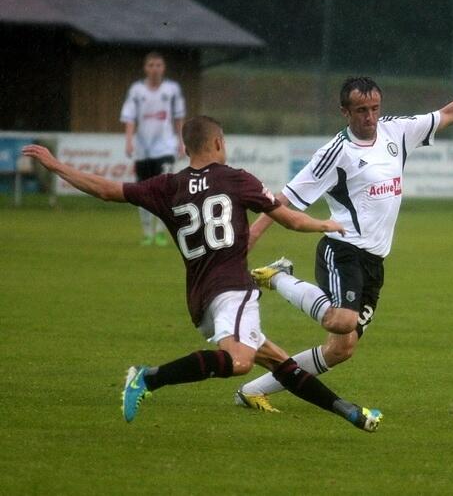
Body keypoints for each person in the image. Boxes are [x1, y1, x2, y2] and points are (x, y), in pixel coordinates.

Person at [22, 116, 382, 431]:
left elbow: (104, 189)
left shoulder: (167, 186)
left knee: (280, 363)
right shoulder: (237, 179)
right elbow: (286, 217)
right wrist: (322, 223)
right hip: (233, 290)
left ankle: (348, 412)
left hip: (200, 300)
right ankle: (148, 377)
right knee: (241, 363)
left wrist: (57, 166)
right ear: (218, 142)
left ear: (185, 147)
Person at [235, 76, 453, 411]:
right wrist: (253, 235)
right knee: (342, 320)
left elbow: (448, 115)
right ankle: (279, 277)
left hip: (375, 260)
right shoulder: (335, 152)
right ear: (344, 111)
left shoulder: (396, 131)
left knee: (340, 349)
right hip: (341, 249)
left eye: (375, 108)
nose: (370, 117)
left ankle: (252, 390)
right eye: (361, 110)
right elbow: (284, 198)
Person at [121, 51, 186, 247]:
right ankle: (147, 232)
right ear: (145, 68)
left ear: (163, 68)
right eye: (151, 65)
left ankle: (160, 232)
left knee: (166, 191)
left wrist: (181, 141)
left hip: (165, 148)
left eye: (158, 65)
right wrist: (129, 140)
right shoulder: (137, 91)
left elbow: (178, 117)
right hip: (143, 149)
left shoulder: (172, 89)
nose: (155, 69)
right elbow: (130, 117)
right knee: (143, 192)